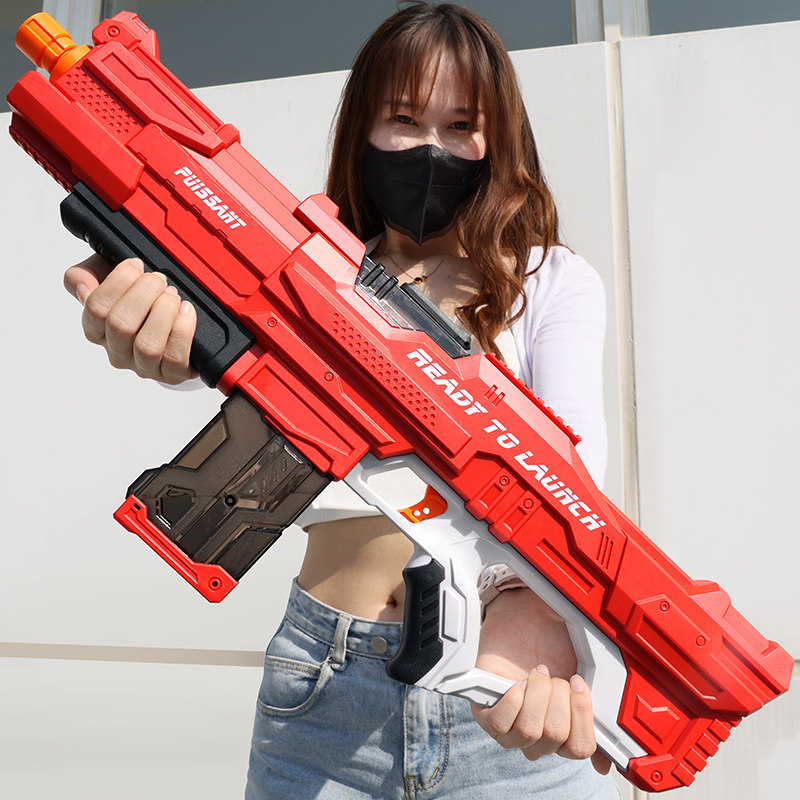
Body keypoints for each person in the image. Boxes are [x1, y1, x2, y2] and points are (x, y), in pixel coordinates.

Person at [64, 3, 618, 798]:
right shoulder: (306, 269)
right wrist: (151, 328)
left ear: (499, 141)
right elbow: (193, 340)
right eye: (404, 120)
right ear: (364, 128)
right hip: (324, 690)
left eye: (462, 126)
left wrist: (529, 610)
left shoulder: (545, 280)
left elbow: (575, 476)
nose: (431, 149)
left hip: (505, 683)